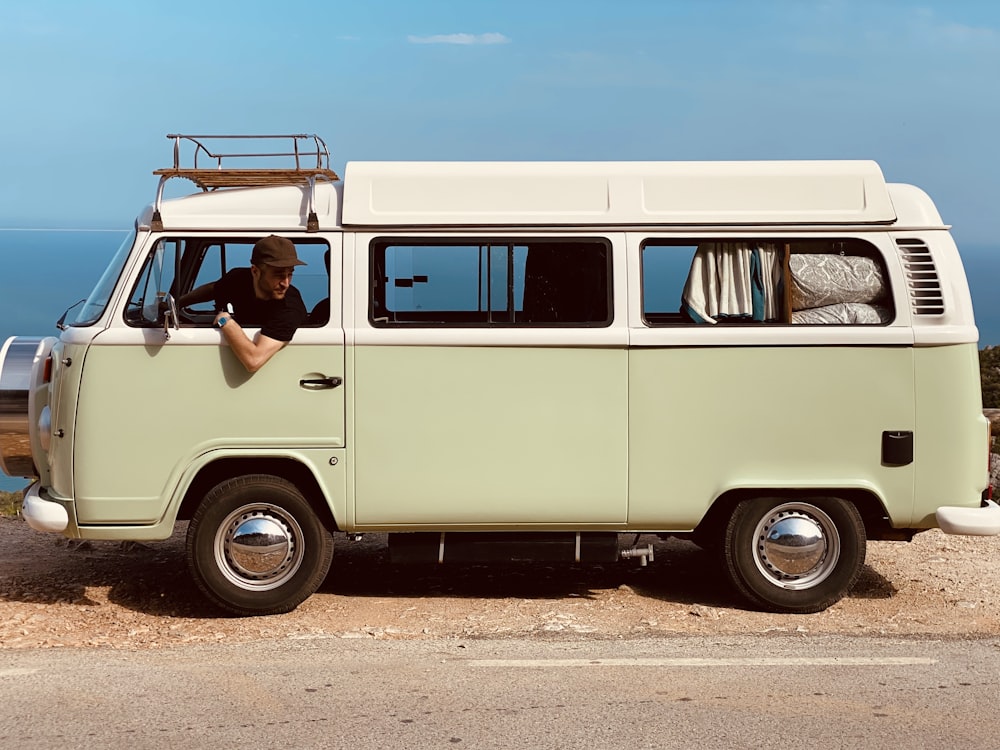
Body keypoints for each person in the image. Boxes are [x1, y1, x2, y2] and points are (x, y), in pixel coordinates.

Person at [181, 235, 308, 373]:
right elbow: (214, 289)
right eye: (278, 275)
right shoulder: (238, 279)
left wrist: (226, 321)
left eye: (290, 274)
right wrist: (178, 303)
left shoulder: (290, 308)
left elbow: (253, 361)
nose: (286, 283)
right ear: (255, 271)